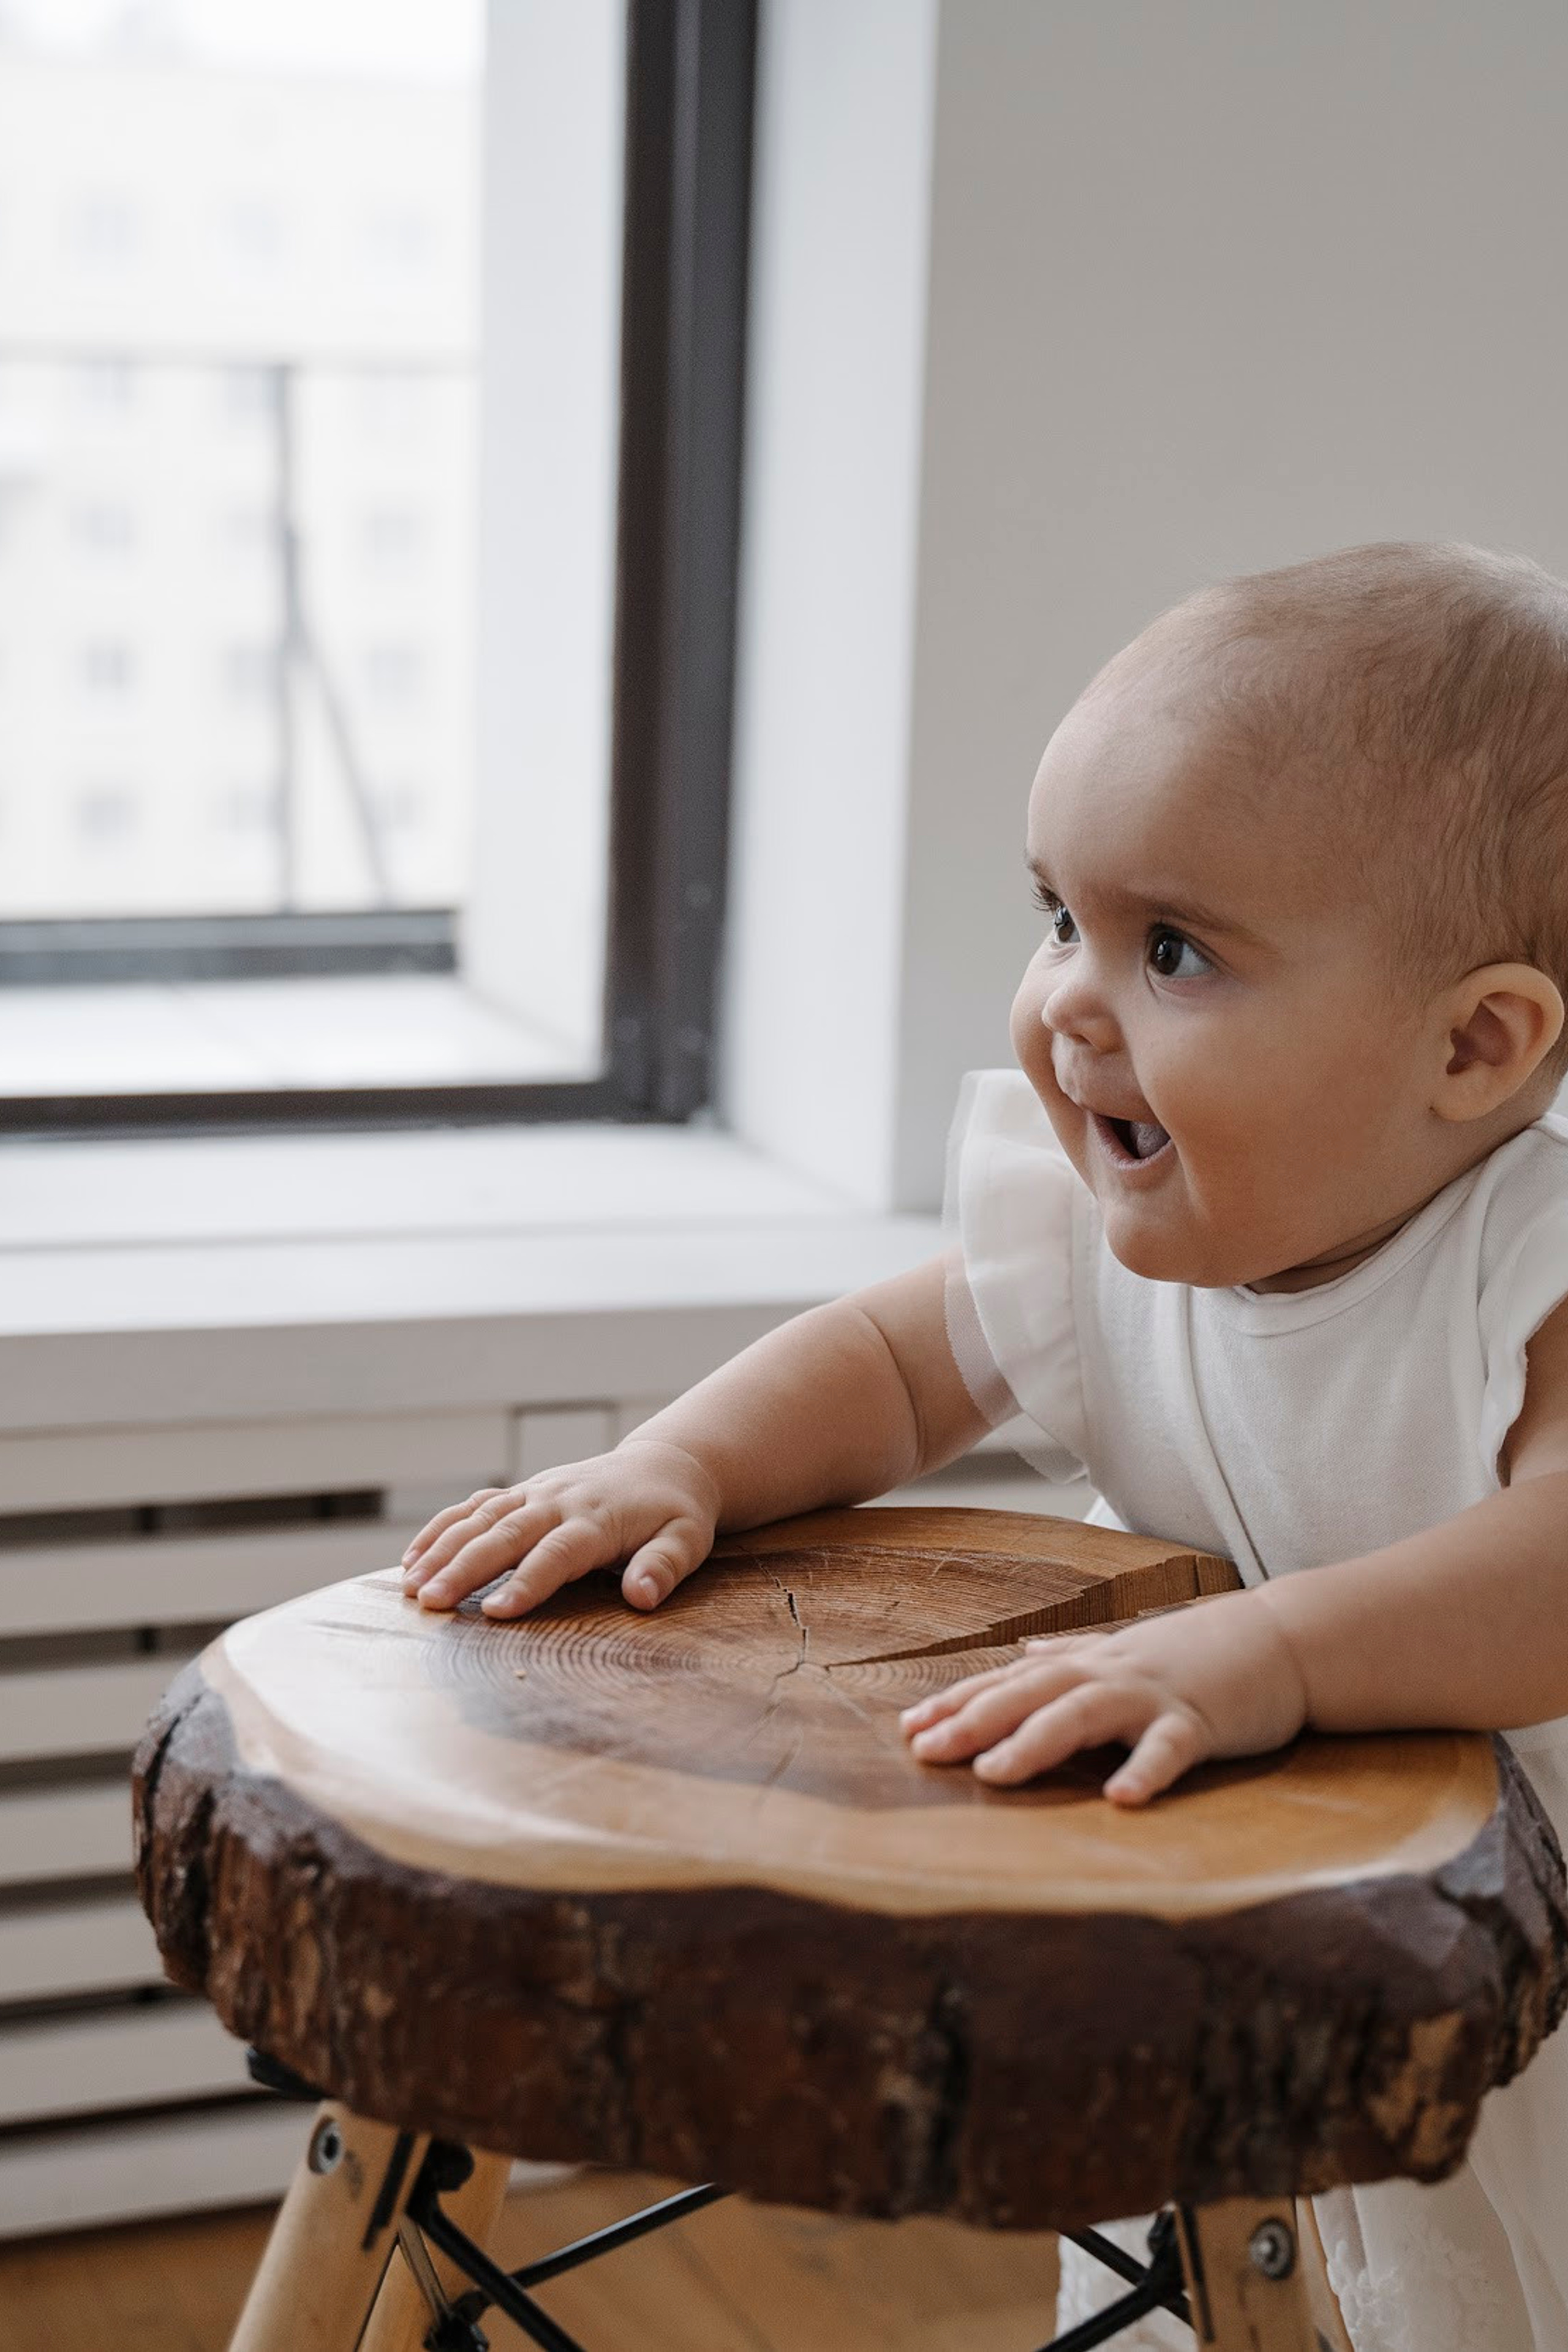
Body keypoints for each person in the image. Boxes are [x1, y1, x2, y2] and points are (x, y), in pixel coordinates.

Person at [401, 541, 1568, 2352]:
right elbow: (889, 1360)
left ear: (1475, 1045)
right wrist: (685, 1464)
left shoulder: (1525, 1272)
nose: (1068, 1007)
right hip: (1207, 1917)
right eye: (1059, 920)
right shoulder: (1109, 1243)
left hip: (1506, 1962)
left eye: (1172, 949)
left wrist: (1270, 1650)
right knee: (1195, 2279)